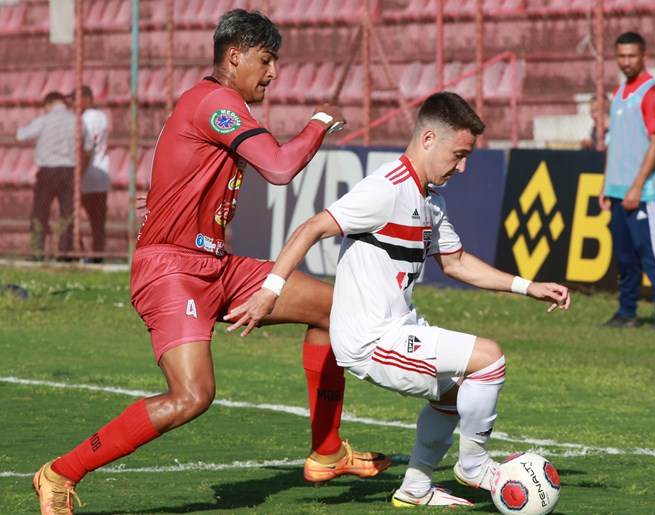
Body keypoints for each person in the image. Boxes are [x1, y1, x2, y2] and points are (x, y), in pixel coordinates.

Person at [33, 9, 389, 514]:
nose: (272, 74)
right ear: (235, 56)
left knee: (332, 309)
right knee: (192, 397)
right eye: (266, 61)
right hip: (173, 272)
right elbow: (282, 168)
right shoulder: (217, 101)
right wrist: (320, 120)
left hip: (214, 266)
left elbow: (184, 169)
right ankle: (59, 473)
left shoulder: (207, 103)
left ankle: (327, 452)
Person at [226, 91, 571, 507]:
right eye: (458, 154)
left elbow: (457, 263)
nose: (462, 166)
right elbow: (311, 227)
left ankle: (415, 489)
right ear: (428, 139)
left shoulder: (430, 200)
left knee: (453, 393)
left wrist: (527, 286)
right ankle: (475, 466)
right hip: (369, 340)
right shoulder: (386, 188)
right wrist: (270, 290)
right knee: (489, 359)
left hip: (399, 329)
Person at [598, 31, 655, 330]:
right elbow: (613, 143)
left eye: (631, 55)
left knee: (652, 253)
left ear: (644, 56)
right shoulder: (619, 93)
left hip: (642, 192)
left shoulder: (652, 92)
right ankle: (627, 311)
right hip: (618, 191)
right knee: (625, 257)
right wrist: (607, 186)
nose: (626, 61)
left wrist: (637, 185)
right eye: (621, 56)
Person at [16, 91, 92, 260]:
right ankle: (64, 253)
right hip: (69, 172)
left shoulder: (45, 119)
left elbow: (21, 136)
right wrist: (82, 169)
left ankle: (37, 251)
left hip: (47, 172)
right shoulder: (77, 121)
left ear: (48, 104)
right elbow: (88, 148)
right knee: (67, 213)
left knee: (40, 212)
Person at [73, 85, 111, 263]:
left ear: (86, 98)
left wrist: (78, 174)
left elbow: (86, 149)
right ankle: (98, 253)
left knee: (73, 215)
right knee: (98, 220)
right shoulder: (103, 117)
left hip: (87, 174)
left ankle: (78, 252)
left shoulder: (84, 120)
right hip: (102, 171)